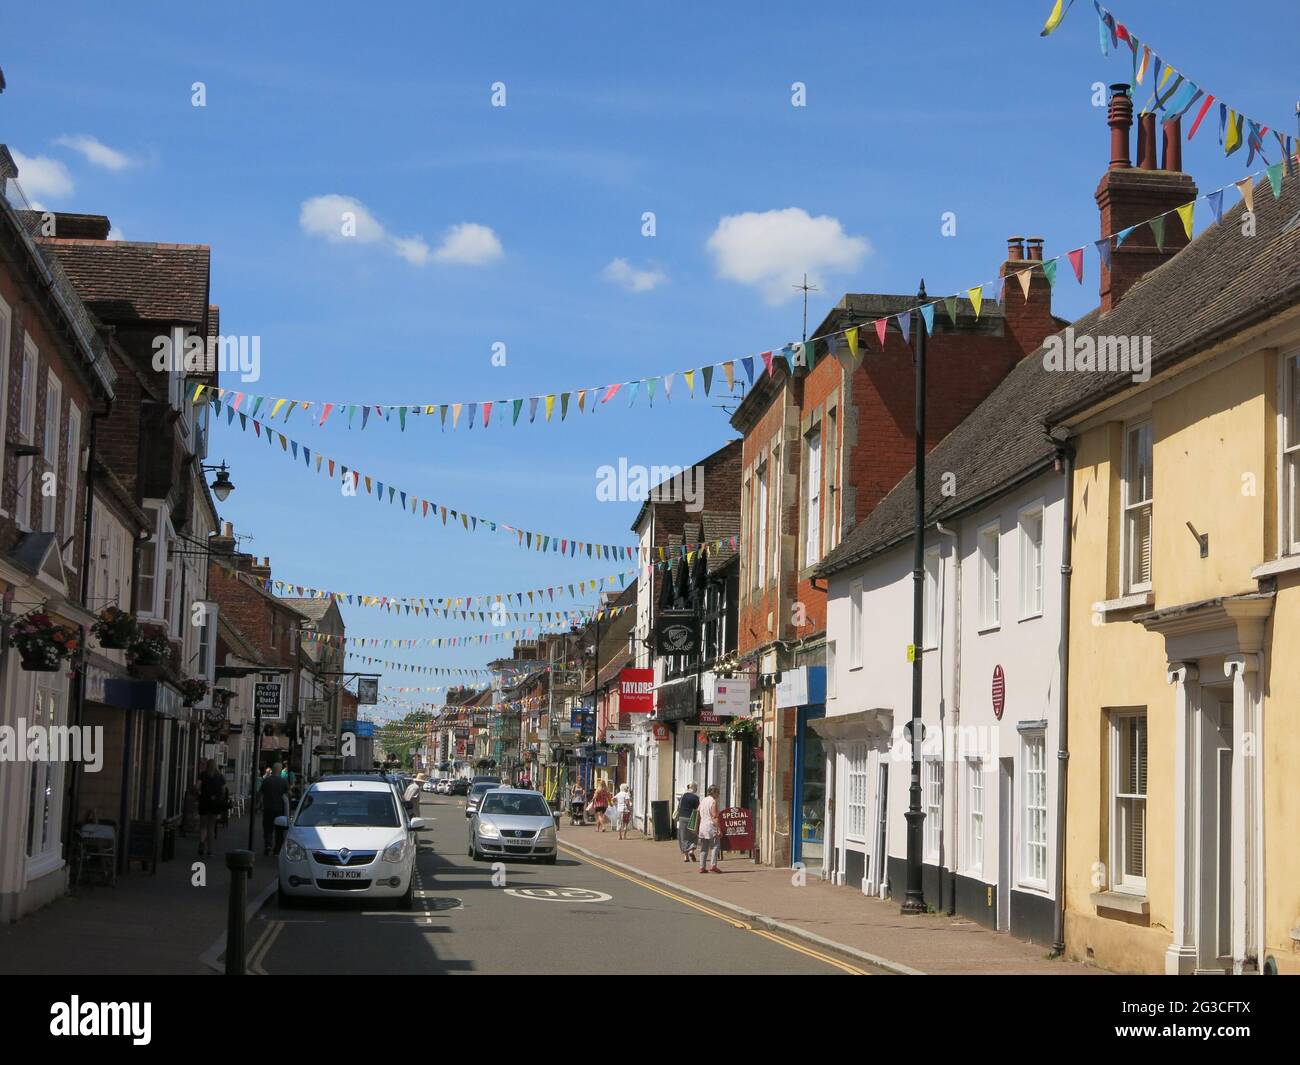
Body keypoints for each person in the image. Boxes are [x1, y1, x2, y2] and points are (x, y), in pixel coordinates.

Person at [197, 759, 228, 857]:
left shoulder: (203, 775)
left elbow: (197, 787)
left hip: (204, 802)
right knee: (211, 827)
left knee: (203, 826)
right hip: (214, 804)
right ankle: (210, 850)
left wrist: (200, 794)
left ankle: (202, 842)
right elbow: (223, 790)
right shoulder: (220, 777)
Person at [260, 761, 290, 856]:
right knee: (279, 830)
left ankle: (268, 845)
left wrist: (260, 805)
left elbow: (261, 794)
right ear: (280, 770)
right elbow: (288, 794)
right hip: (279, 809)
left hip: (268, 808)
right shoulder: (283, 781)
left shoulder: (266, 780)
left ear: (272, 770)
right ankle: (277, 849)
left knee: (267, 828)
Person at [697, 784, 723, 874]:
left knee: (704, 847)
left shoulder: (703, 800)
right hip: (711, 826)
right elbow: (715, 816)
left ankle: (702, 867)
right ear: (714, 792)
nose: (718, 795)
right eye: (718, 792)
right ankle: (713, 865)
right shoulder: (713, 801)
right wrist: (719, 829)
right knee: (716, 845)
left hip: (702, 826)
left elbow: (698, 811)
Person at [675, 782, 700, 863]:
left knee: (683, 837)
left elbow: (679, 807)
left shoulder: (683, 796)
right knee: (693, 835)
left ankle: (686, 856)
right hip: (692, 818)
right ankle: (691, 851)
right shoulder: (696, 798)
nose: (697, 789)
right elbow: (697, 809)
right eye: (696, 788)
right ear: (694, 788)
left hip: (682, 817)